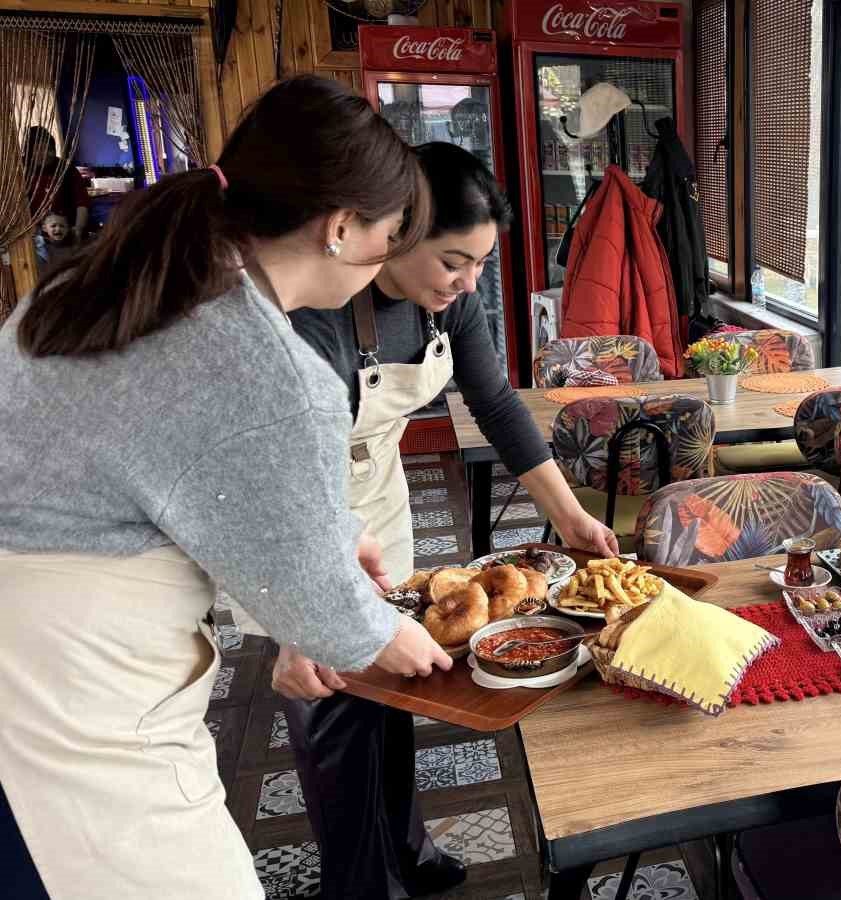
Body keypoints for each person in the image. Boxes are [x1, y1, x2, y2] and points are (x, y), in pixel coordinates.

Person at [0, 76, 450, 899]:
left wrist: (323, 532)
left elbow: (165, 464)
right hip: (71, 674)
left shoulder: (100, 281)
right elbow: (327, 613)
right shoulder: (270, 370)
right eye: (390, 235)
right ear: (341, 228)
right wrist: (410, 645)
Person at [278, 141, 619, 898]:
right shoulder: (324, 313)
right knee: (335, 704)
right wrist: (307, 609)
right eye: (453, 262)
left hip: (381, 501)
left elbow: (495, 403)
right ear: (397, 231)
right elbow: (292, 476)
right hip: (302, 512)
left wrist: (569, 518)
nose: (468, 283)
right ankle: (364, 882)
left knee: (393, 686)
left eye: (479, 265)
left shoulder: (453, 303)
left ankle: (407, 847)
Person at [23, 126, 91, 243]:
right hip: (33, 236)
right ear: (30, 152)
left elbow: (82, 203)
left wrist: (78, 229)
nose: (47, 154)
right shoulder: (20, 170)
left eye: (50, 149)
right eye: (40, 150)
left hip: (66, 233)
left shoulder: (66, 169)